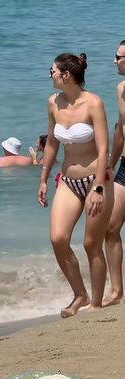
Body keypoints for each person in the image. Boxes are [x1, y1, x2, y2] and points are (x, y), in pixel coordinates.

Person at [38, 53, 114, 318]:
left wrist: (98, 187)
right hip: (68, 181)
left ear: (66, 75)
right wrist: (44, 178)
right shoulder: (52, 103)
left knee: (92, 244)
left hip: (96, 180)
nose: (50, 75)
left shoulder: (93, 103)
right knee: (58, 238)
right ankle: (79, 293)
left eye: (53, 71)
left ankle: (95, 303)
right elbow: (51, 143)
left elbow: (104, 149)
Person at [104, 40, 125, 307]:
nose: (114, 61)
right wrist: (110, 162)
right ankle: (117, 291)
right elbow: (120, 129)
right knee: (110, 226)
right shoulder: (121, 89)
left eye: (118, 56)